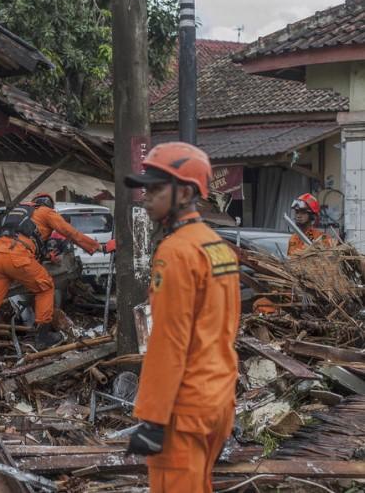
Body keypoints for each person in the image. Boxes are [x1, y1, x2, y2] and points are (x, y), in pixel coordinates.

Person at [124, 142, 241, 493]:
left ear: (186, 192)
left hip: (183, 408)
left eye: (157, 189)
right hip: (217, 400)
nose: (146, 197)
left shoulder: (175, 251)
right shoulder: (217, 246)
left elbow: (168, 341)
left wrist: (152, 419)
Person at [0, 193, 115, 372]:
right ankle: (42, 337)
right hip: (18, 257)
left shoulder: (18, 212)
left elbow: (24, 237)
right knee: (45, 287)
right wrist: (99, 247)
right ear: (49, 204)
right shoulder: (46, 212)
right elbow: (69, 232)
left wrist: (47, 255)